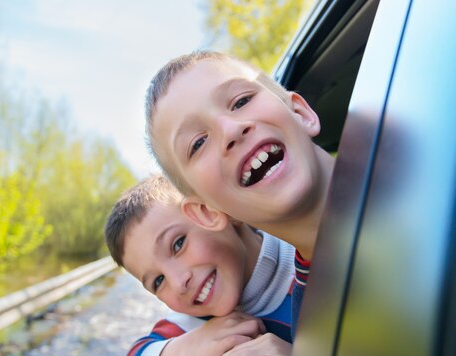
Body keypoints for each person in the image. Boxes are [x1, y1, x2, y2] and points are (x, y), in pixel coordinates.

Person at [144, 50, 336, 337]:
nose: (231, 130)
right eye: (198, 143)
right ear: (208, 212)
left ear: (300, 113)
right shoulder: (314, 332)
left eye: (241, 101)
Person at [105, 174, 299, 356]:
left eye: (178, 244)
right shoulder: (201, 325)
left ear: (218, 211)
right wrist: (187, 349)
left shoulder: (307, 256)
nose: (179, 283)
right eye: (159, 281)